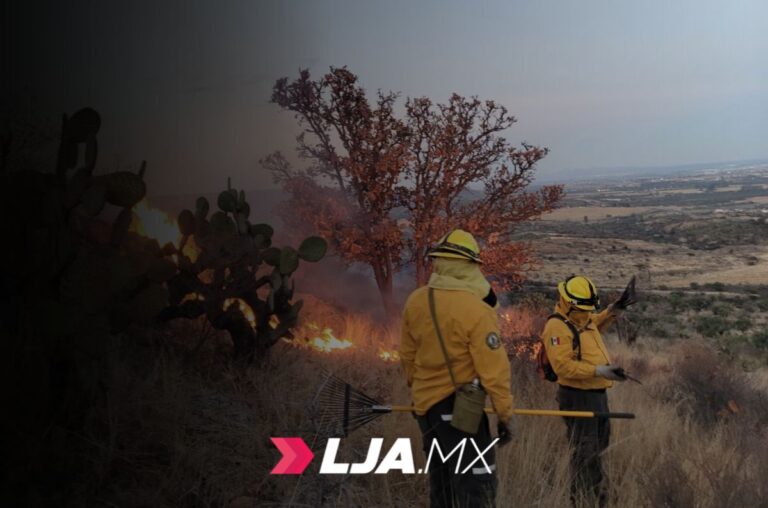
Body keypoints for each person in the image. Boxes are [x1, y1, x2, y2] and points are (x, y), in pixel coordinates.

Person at [400, 229, 515, 508]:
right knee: (477, 487)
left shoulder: (416, 300)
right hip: (462, 413)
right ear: (470, 266)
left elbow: (407, 355)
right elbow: (494, 371)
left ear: (439, 262)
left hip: (426, 411)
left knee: (442, 487)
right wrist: (504, 416)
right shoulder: (476, 310)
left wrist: (421, 392)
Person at [541, 274, 636, 507]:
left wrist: (614, 310)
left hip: (597, 397)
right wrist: (599, 371)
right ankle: (583, 499)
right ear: (568, 302)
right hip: (577, 397)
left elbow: (595, 322)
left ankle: (593, 496)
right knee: (586, 453)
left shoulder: (582, 319)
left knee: (598, 449)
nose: (587, 313)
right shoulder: (556, 326)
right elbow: (562, 367)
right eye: (582, 309)